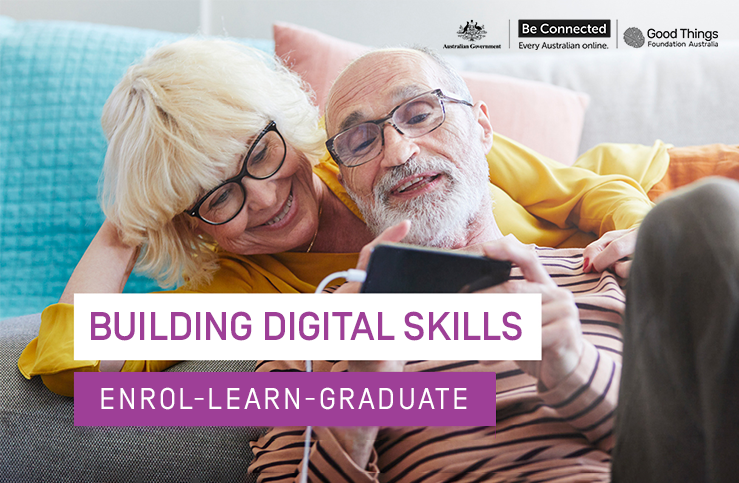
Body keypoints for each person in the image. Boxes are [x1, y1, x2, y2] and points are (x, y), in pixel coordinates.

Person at [18, 39, 668, 398]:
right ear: (192, 227)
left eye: (259, 154)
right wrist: (126, 220)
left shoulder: (381, 151)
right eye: (217, 198)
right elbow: (75, 369)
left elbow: (587, 190)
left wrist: (644, 229)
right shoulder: (236, 286)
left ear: (288, 127)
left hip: (614, 240)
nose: (265, 199)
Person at [248, 47, 628, 482]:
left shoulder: (605, 271)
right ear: (347, 184)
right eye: (361, 141)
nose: (398, 152)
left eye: (420, 113)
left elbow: (709, 445)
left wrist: (576, 370)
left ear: (483, 128)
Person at [612, 177, 739, 482]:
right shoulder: (481, 304)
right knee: (700, 213)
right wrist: (572, 370)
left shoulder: (606, 251)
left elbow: (589, 188)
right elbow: (476, 416)